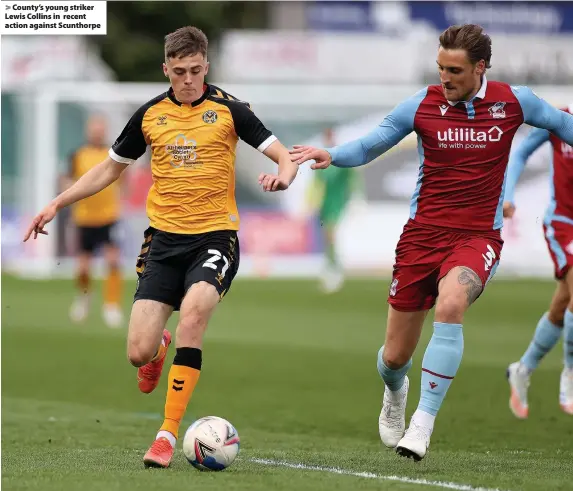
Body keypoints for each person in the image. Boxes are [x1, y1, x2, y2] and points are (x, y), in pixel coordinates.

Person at [290, 24, 573, 461]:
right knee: (395, 356)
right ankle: (395, 391)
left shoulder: (515, 101)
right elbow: (370, 145)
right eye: (440, 68)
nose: (445, 78)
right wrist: (332, 155)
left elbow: (560, 123)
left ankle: (422, 424)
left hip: (478, 236)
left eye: (455, 70)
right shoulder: (422, 104)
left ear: (481, 68)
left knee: (452, 303)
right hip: (421, 238)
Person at [23, 26, 298, 468]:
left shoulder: (230, 111)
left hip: (215, 238)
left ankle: (166, 434)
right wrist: (58, 202)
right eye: (179, 72)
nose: (188, 80)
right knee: (138, 352)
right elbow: (108, 171)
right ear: (165, 69)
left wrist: (284, 175)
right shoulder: (149, 116)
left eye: (195, 71)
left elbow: (282, 155)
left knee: (194, 314)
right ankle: (157, 348)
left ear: (205, 67)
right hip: (164, 243)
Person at [503, 104, 573, 418]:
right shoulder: (558, 119)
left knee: (562, 305)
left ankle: (523, 368)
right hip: (563, 222)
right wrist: (508, 194)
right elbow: (519, 154)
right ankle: (570, 375)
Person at [63, 114, 124, 328]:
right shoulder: (78, 155)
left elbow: (123, 178)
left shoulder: (114, 154)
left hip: (109, 217)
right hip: (84, 218)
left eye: (101, 128)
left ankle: (111, 306)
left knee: (113, 261)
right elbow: (67, 180)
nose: (97, 132)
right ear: (88, 131)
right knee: (83, 268)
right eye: (94, 128)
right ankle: (84, 298)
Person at [307, 127, 362, 293]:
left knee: (331, 234)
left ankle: (336, 269)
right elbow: (316, 184)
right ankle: (330, 266)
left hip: (338, 202)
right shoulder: (319, 160)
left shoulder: (341, 159)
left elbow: (353, 179)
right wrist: (311, 202)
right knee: (326, 237)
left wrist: (357, 198)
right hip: (324, 204)